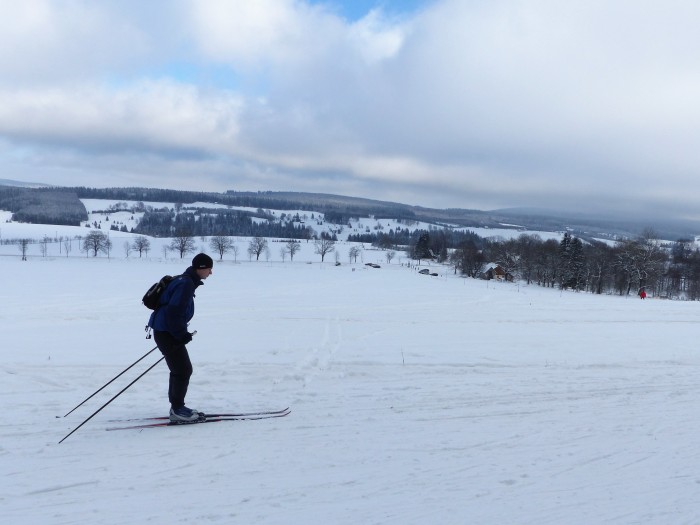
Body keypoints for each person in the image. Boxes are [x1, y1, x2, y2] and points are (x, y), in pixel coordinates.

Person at [148, 253, 214, 422]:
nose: (211, 273)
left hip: (164, 331)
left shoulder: (184, 280)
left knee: (180, 369)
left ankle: (177, 407)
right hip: (167, 332)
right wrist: (181, 335)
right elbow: (174, 312)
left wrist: (180, 333)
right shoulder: (186, 284)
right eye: (209, 268)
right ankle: (177, 410)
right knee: (183, 370)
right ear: (201, 268)